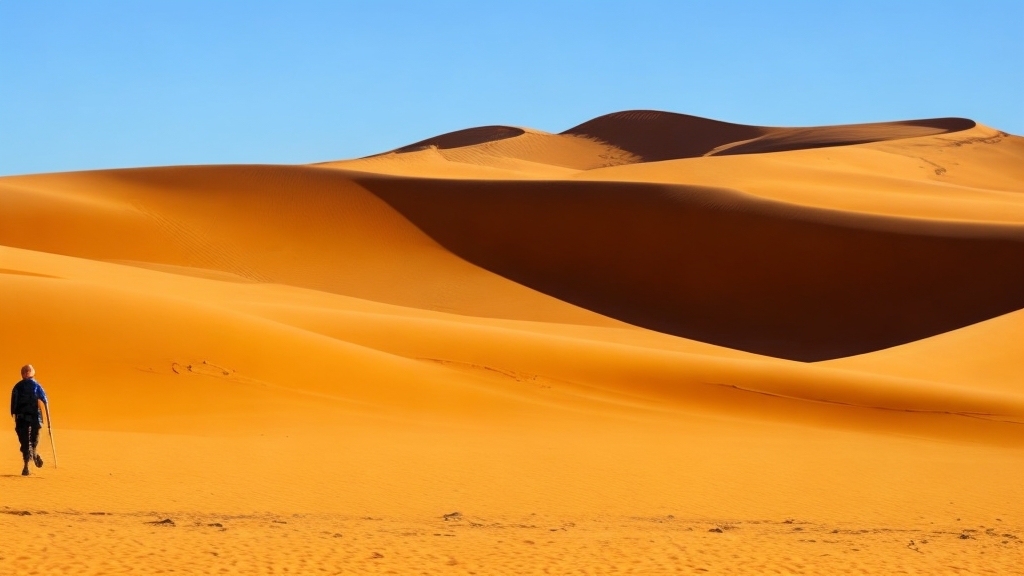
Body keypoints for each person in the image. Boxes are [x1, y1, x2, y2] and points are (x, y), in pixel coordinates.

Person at [11, 364, 48, 476]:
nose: (26, 373)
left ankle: (30, 460)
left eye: (28, 371)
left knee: (28, 441)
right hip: (28, 417)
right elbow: (45, 400)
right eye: (25, 371)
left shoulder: (19, 386)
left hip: (29, 417)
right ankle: (30, 459)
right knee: (28, 440)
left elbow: (13, 405)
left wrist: (14, 415)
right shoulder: (34, 386)